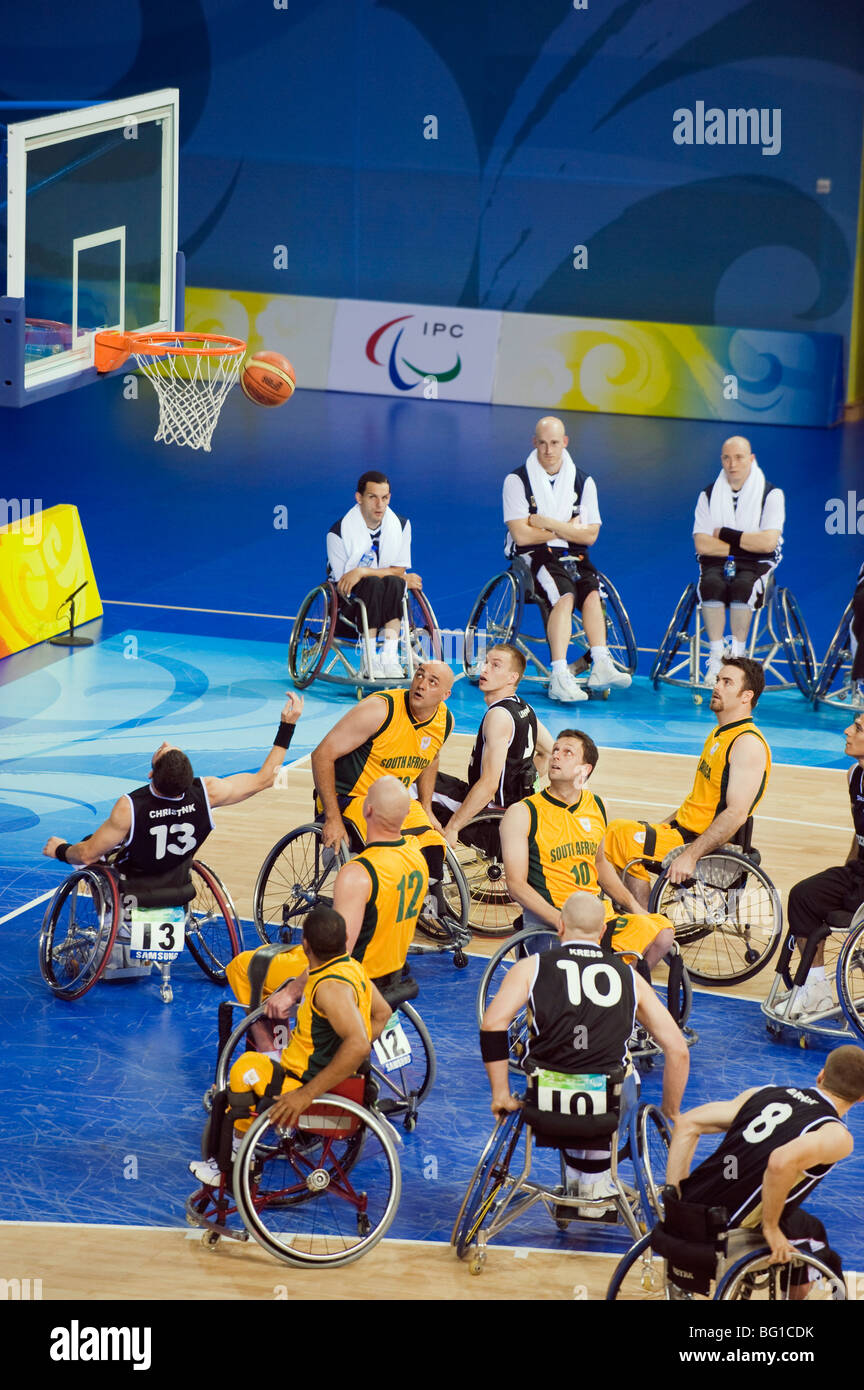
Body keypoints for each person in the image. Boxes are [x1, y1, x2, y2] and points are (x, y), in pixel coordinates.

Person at [42, 693, 304, 973]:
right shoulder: (207, 792)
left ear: (151, 774)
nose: (166, 744)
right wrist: (287, 726)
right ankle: (130, 944)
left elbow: (87, 853)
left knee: (89, 852)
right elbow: (265, 778)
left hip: (132, 892)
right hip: (178, 887)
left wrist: (60, 849)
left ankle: (110, 928)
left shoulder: (129, 807)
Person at [480, 892, 689, 1213]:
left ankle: (584, 1179)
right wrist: (671, 1112)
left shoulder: (530, 967)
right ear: (603, 932)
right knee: (618, 1071)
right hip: (608, 1099)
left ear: (560, 926)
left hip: (547, 1098)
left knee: (564, 1071)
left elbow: (493, 1025)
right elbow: (677, 1050)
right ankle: (595, 1182)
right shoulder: (629, 977)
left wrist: (500, 1094)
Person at [189, 905, 392, 1185]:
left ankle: (238, 1158)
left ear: (304, 944)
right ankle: (231, 1152)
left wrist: (307, 1093)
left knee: (243, 1070)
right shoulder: (354, 969)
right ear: (344, 941)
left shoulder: (330, 988)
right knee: (246, 1077)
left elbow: (358, 1045)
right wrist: (338, 1055)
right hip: (319, 1075)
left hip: (300, 1082)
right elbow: (383, 1014)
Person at [226, 777, 429, 1026]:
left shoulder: (359, 873)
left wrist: (291, 992)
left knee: (242, 966)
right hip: (393, 973)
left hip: (353, 980)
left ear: (367, 810)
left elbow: (337, 953)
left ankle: (274, 1054)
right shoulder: (416, 855)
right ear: (408, 813)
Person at [666, 1045, 864, 1281]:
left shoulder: (763, 1092)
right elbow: (780, 1162)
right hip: (728, 1227)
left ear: (821, 1075)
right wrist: (770, 1227)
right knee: (815, 1237)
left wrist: (675, 1195)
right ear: (861, 1098)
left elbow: (687, 1123)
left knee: (790, 1214)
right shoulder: (836, 1135)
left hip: (688, 1208)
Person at [499, 728, 674, 970]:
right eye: (556, 750)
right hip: (553, 920)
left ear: (585, 769)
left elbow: (600, 864)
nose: (556, 756)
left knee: (663, 933)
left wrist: (634, 906)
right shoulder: (523, 812)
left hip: (597, 917)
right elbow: (516, 885)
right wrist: (561, 921)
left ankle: (618, 993)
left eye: (567, 752)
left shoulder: (599, 806)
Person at [604, 657, 771, 908]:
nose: (717, 687)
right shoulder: (719, 734)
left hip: (699, 843)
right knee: (614, 833)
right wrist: (661, 827)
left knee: (620, 838)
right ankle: (635, 911)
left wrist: (690, 856)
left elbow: (736, 813)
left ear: (746, 696)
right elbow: (699, 800)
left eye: (727, 682)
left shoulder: (747, 744)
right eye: (717, 680)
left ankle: (647, 924)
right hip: (681, 831)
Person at [311, 661, 456, 919]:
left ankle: (430, 908)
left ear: (445, 695)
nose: (421, 684)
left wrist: (425, 806)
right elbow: (322, 755)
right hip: (350, 798)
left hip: (394, 800)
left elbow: (431, 758)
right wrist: (332, 818)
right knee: (394, 851)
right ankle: (376, 913)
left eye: (433, 681)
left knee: (432, 843)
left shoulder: (445, 721)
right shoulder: (379, 710)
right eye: (419, 675)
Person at [502, 415, 630, 702]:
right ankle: (559, 673)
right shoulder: (517, 480)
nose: (548, 450)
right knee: (565, 595)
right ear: (534, 443)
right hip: (532, 557)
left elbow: (590, 536)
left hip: (573, 554)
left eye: (555, 443)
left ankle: (601, 663)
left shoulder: (584, 482)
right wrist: (569, 529)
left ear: (565, 442)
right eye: (543, 443)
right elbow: (522, 536)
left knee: (591, 592)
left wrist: (547, 523)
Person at [427, 643, 554, 848]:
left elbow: (489, 785)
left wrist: (454, 827)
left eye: (496, 665)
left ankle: (430, 869)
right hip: (517, 811)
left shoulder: (499, 716)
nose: (484, 669)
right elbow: (549, 752)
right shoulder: (524, 707)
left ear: (512, 677)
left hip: (492, 818)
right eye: (486, 662)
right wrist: (521, 786)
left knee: (413, 787)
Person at [780, 713, 864, 1019]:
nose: (847, 731)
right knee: (804, 895)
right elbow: (859, 832)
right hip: (859, 871)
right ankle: (816, 989)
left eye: (857, 728)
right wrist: (845, 874)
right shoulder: (854, 774)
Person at [693, 437, 785, 682]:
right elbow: (702, 544)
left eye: (739, 457)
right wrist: (748, 543)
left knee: (743, 588)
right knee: (711, 585)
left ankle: (737, 657)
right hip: (717, 563)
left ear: (751, 459)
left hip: (758, 565)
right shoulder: (708, 494)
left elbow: (767, 543)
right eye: (726, 457)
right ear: (721, 460)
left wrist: (723, 535)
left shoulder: (772, 494)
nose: (732, 463)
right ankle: (716, 655)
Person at [326, 470, 421, 678]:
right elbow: (345, 584)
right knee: (376, 584)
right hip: (351, 606)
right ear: (359, 498)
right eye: (373, 497)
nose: (380, 504)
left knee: (395, 583)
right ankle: (368, 658)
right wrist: (390, 576)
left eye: (385, 498)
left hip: (388, 599)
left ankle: (389, 657)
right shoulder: (338, 533)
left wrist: (362, 571)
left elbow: (398, 571)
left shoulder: (402, 526)